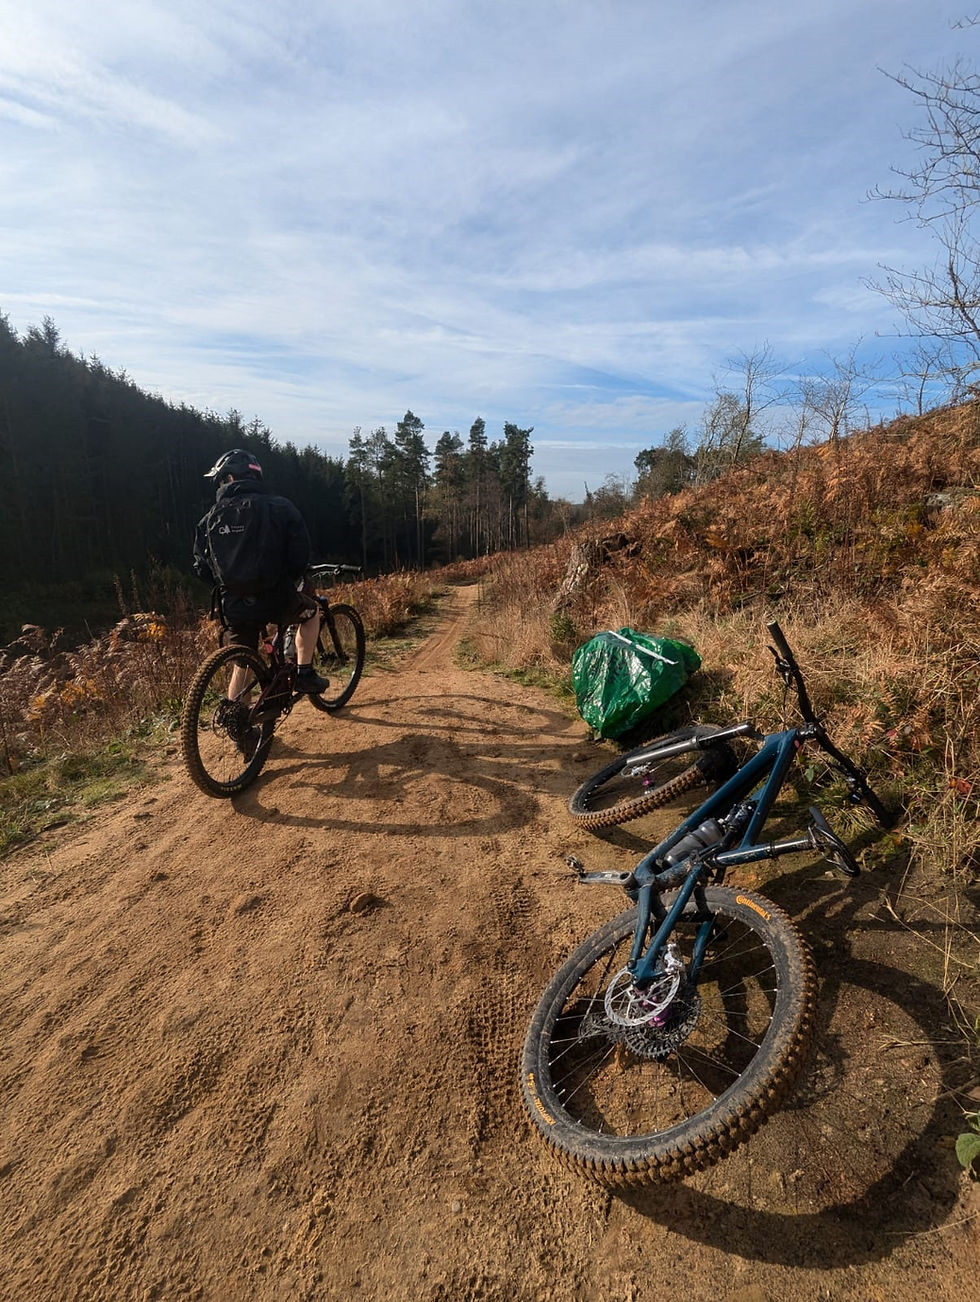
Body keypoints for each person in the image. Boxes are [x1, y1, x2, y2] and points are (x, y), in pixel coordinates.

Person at [192, 448, 329, 697]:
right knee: (311, 613)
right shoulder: (280, 507)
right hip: (275, 598)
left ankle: (236, 716)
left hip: (233, 604)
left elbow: (201, 566)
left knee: (243, 661)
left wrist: (229, 585)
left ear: (230, 478)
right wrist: (287, 579)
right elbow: (299, 555)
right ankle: (305, 673)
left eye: (220, 480)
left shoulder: (209, 518)